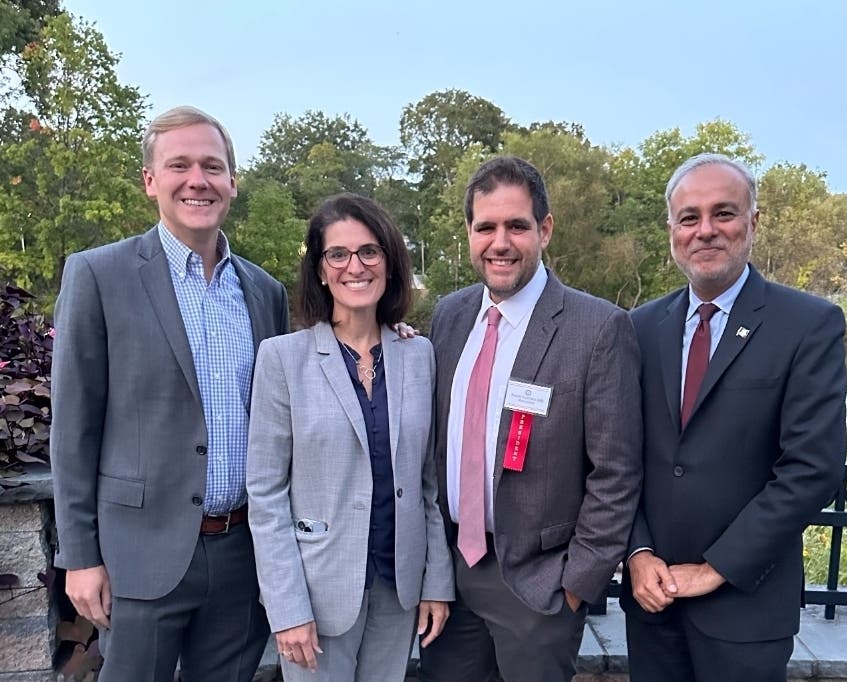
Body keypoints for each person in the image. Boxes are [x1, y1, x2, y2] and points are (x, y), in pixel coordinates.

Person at [50, 106, 290, 681]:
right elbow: (74, 428)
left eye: (213, 166)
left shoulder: (265, 292)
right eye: (178, 165)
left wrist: (388, 329)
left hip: (242, 555)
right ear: (150, 181)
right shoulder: (98, 275)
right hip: (140, 555)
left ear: (232, 181)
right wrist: (80, 557)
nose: (197, 180)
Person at [620, 153, 847, 682]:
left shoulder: (808, 325)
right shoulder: (639, 327)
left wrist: (715, 568)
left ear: (753, 221)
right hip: (652, 602)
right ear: (672, 229)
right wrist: (637, 551)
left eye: (723, 213)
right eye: (689, 217)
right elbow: (618, 455)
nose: (705, 231)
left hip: (747, 607)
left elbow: (812, 468)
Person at [419, 156, 643, 682]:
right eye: (486, 227)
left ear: (544, 229)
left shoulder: (599, 329)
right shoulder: (449, 317)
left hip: (539, 586)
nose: (501, 242)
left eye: (516, 226)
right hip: (451, 574)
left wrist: (574, 584)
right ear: (469, 233)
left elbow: (617, 472)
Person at [245, 193, 453, 681]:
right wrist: (287, 607)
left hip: (397, 588)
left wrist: (437, 580)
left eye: (369, 251)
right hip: (316, 594)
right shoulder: (282, 359)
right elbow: (266, 494)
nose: (354, 266)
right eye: (337, 254)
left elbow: (428, 484)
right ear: (320, 269)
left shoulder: (418, 354)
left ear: (390, 263)